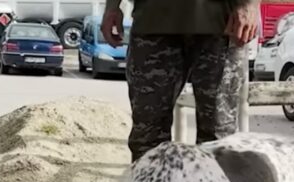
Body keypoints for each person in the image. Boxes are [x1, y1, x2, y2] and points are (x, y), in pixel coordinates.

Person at [101, 0, 260, 162]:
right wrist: (112, 6)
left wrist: (249, 4)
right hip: (152, 22)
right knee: (147, 137)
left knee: (218, 138)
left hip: (221, 25)